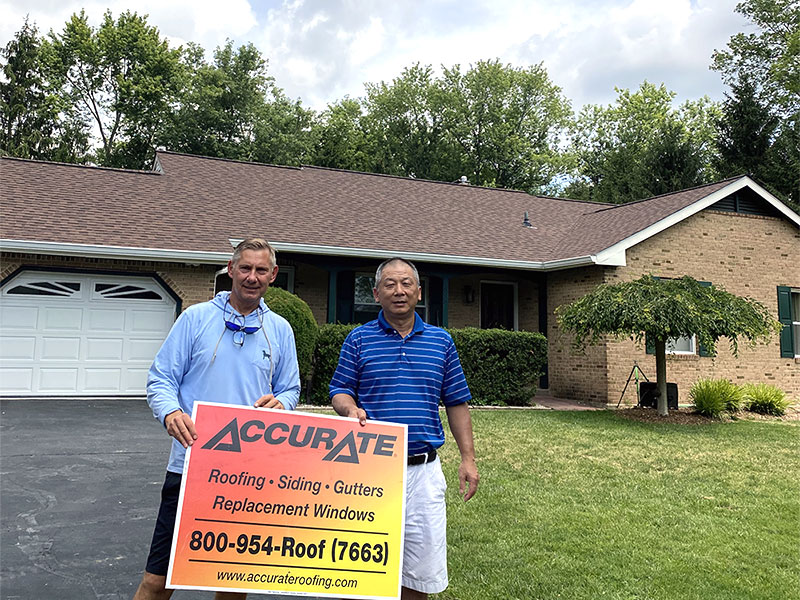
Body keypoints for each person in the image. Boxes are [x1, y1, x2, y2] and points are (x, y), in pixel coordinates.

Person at [133, 238, 301, 600]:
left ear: (273, 275)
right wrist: (170, 412)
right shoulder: (196, 318)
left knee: (232, 581)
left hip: (250, 474)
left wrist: (283, 405)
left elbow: (290, 389)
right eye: (245, 268)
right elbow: (161, 379)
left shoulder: (281, 330)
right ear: (230, 269)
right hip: (191, 465)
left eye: (260, 270)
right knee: (158, 580)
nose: (252, 277)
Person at [329, 257, 479, 600]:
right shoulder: (358, 339)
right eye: (390, 284)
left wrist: (468, 458)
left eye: (406, 284)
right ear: (376, 293)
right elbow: (339, 390)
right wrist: (349, 408)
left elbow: (456, 402)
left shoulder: (441, 342)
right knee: (361, 569)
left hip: (423, 472)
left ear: (419, 291)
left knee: (419, 573)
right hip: (370, 469)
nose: (399, 291)